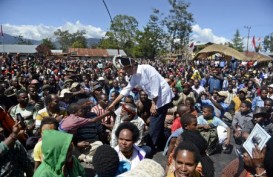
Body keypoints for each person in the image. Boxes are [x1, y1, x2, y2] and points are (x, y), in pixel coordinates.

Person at [108, 56, 174, 151]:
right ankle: (163, 143)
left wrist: (154, 105)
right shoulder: (135, 76)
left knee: (154, 122)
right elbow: (126, 89)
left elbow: (155, 88)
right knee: (158, 123)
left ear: (132, 66)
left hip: (162, 98)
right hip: (156, 99)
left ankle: (151, 147)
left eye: (126, 69)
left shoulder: (147, 69)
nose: (125, 72)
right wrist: (113, 104)